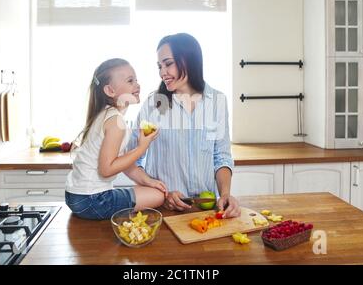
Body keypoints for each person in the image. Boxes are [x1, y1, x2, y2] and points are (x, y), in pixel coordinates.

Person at [124, 33, 241, 219]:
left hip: (206, 210)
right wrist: (162, 193)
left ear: (188, 60)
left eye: (168, 63)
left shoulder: (217, 101)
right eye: (159, 66)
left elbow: (222, 157)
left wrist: (225, 194)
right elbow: (130, 159)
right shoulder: (154, 104)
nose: (162, 72)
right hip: (164, 212)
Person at [65, 58, 167, 220]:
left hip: (77, 197)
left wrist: (149, 181)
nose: (137, 84)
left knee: (151, 189)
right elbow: (106, 170)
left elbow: (123, 164)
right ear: (110, 91)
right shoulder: (116, 121)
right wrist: (142, 147)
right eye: (130, 81)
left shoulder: (106, 115)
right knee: (158, 196)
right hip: (93, 200)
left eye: (136, 80)